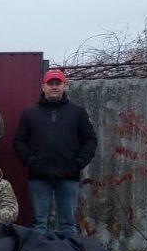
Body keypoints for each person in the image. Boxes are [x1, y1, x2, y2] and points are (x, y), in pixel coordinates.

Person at [12, 69, 97, 235]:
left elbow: (90, 140)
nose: (54, 87)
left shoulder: (77, 112)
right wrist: (31, 162)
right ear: (43, 86)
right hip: (38, 176)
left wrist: (78, 163)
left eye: (58, 83)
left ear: (64, 86)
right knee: (39, 223)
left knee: (68, 224)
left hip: (68, 176)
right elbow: (18, 141)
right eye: (50, 84)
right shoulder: (30, 113)